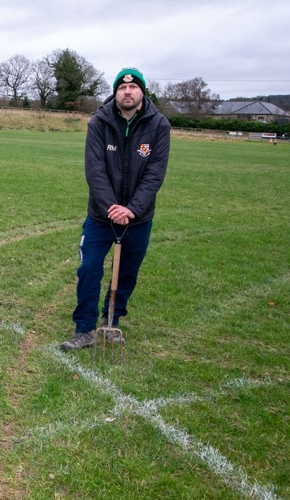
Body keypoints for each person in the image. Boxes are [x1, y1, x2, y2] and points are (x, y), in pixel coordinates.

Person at [61, 67, 171, 351]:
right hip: (101, 216)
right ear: (115, 92)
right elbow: (95, 170)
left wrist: (131, 209)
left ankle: (112, 320)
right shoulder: (98, 122)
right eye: (122, 88)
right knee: (89, 268)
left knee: (127, 274)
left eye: (133, 88)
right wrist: (112, 208)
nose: (127, 92)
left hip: (138, 218)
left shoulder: (159, 126)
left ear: (142, 92)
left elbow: (155, 174)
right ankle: (84, 329)